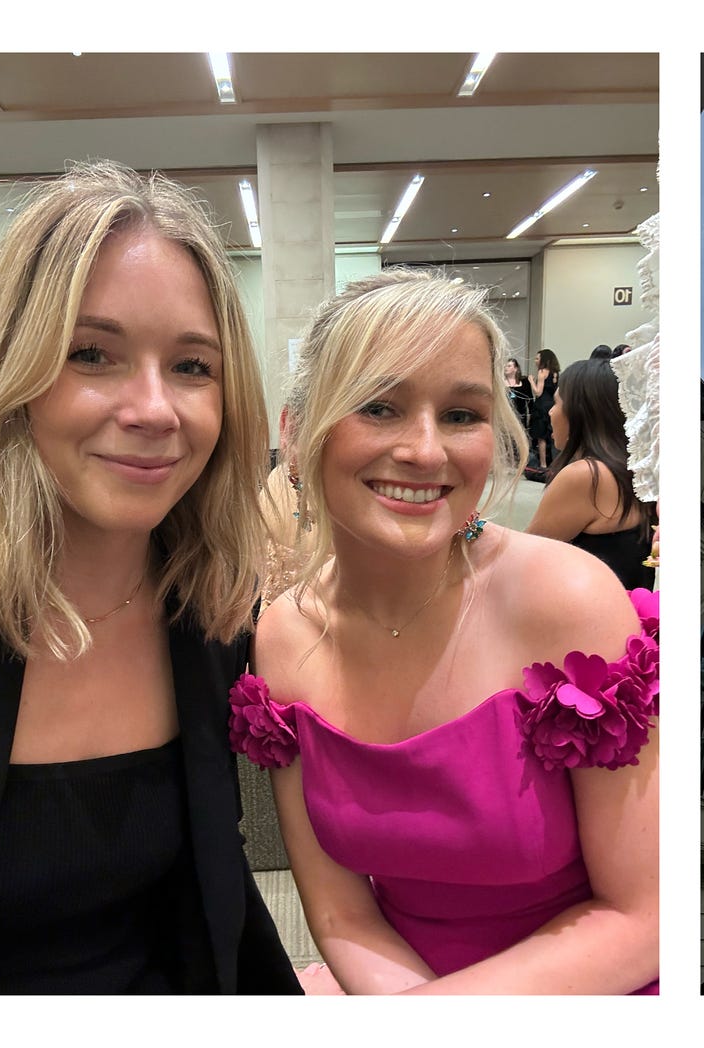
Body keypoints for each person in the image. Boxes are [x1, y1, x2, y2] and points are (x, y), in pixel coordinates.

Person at [232, 268, 659, 994]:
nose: (427, 451)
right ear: (296, 434)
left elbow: (645, 917)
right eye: (378, 406)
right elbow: (339, 914)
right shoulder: (282, 640)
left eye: (461, 415)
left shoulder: (566, 602)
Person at [0, 160, 299, 993]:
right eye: (93, 354)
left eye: (190, 366)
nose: (154, 409)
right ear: (14, 376)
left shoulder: (214, 616)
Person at [526, 359, 656, 591]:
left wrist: (470, 527)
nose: (550, 411)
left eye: (556, 402)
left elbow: (523, 558)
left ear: (580, 412)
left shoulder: (587, 476)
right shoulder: (636, 473)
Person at [528, 348, 561, 470]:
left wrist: (531, 381)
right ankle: (555, 463)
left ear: (543, 360)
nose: (535, 361)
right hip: (551, 404)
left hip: (541, 406)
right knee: (551, 435)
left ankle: (543, 464)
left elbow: (538, 392)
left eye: (537, 358)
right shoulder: (555, 373)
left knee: (541, 436)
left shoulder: (542, 372)